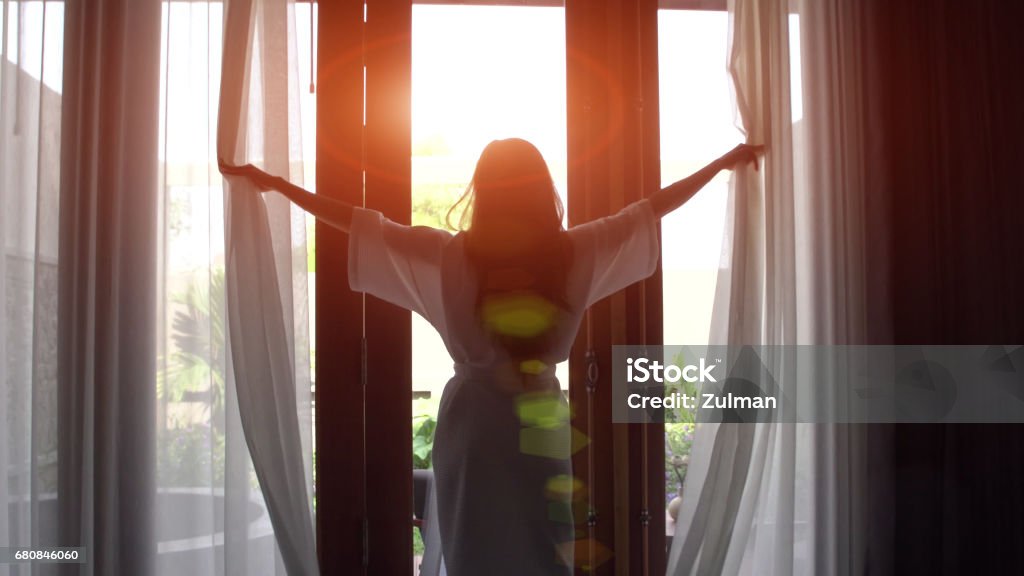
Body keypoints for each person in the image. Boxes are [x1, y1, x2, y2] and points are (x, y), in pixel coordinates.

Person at [220, 138, 761, 575]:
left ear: (484, 191)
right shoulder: (573, 253)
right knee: (543, 547)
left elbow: (362, 224)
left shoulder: (450, 256)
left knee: (475, 548)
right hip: (538, 423)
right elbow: (650, 209)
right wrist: (718, 164)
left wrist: (276, 185)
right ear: (541, 191)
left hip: (472, 428)